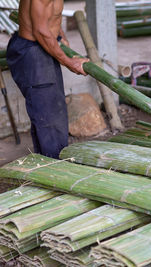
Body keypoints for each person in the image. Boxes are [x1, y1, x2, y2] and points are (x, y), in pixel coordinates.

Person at [6, 0, 89, 159]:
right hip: (33, 50)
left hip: (40, 46)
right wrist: (69, 62)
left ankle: (46, 161)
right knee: (48, 113)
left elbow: (50, 17)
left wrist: (60, 35)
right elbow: (40, 31)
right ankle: (54, 166)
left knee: (49, 108)